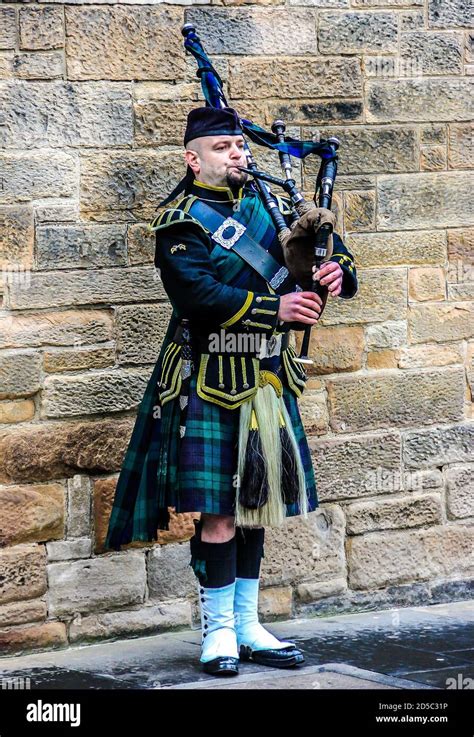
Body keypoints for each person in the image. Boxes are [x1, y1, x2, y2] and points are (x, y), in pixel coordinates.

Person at [105, 106, 358, 677]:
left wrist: (337, 271)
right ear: (193, 158)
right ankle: (216, 632)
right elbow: (196, 294)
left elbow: (333, 253)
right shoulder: (179, 221)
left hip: (266, 379)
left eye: (240, 146)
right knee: (218, 513)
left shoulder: (273, 205)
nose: (238, 155)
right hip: (209, 376)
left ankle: (247, 626)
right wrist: (278, 308)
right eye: (222, 147)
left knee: (254, 509)